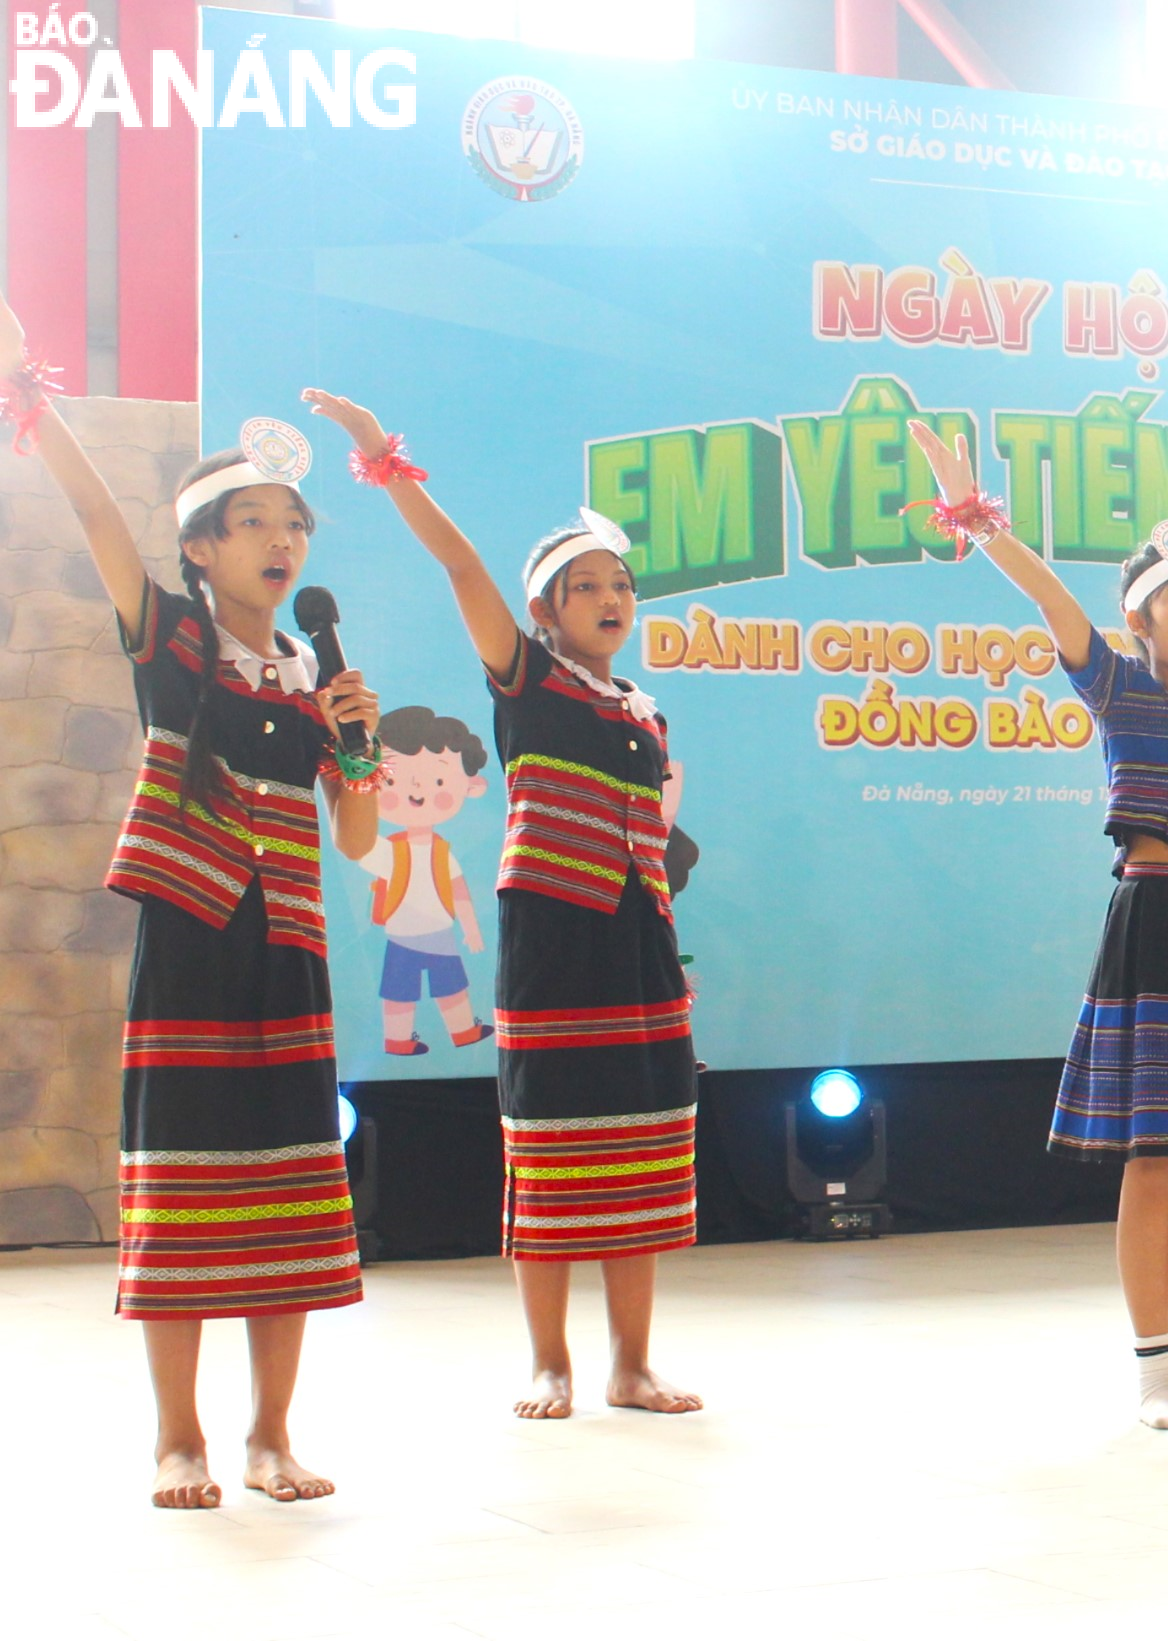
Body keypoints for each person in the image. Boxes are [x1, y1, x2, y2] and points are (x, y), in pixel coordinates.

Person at [3, 296, 382, 1507]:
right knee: (181, 1182)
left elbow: (363, 838)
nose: (280, 540)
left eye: (294, 524)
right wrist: (33, 401)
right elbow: (105, 527)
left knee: (286, 1184)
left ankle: (273, 1435)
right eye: (251, 520)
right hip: (193, 942)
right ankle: (181, 1438)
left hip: (293, 954)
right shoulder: (168, 641)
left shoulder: (317, 680)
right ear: (202, 550)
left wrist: (360, 751)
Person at [907, 419, 1168, 1429]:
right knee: (1152, 1160)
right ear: (1140, 620)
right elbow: (1053, 600)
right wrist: (979, 521)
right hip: (1153, 924)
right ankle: (1155, 1376)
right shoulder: (1122, 689)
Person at [306, 390, 702, 1419]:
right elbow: (462, 567)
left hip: (638, 941)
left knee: (640, 1142)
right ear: (544, 610)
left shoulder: (643, 711)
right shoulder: (526, 680)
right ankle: (551, 1363)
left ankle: (631, 1363)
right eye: (583, 586)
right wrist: (382, 458)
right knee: (553, 1143)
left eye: (619, 583)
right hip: (552, 935)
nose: (609, 596)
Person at [360, 705, 492, 1055]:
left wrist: (472, 928)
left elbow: (460, 890)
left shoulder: (443, 851)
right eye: (393, 780)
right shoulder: (388, 850)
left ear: (472, 786)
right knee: (398, 993)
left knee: (452, 987)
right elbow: (356, 845)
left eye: (438, 780)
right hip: (400, 935)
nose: (417, 790)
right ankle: (398, 1040)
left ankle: (464, 1031)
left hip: (440, 933)